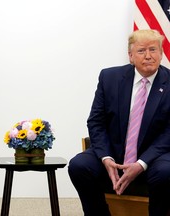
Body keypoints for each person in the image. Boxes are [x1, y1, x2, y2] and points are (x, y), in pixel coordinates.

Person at [68, 29, 170, 216]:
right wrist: (106, 158)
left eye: (153, 50)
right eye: (141, 51)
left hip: (154, 157)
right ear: (131, 56)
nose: (148, 56)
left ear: (161, 54)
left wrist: (141, 163)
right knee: (78, 166)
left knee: (166, 172)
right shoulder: (109, 78)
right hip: (114, 152)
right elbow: (96, 122)